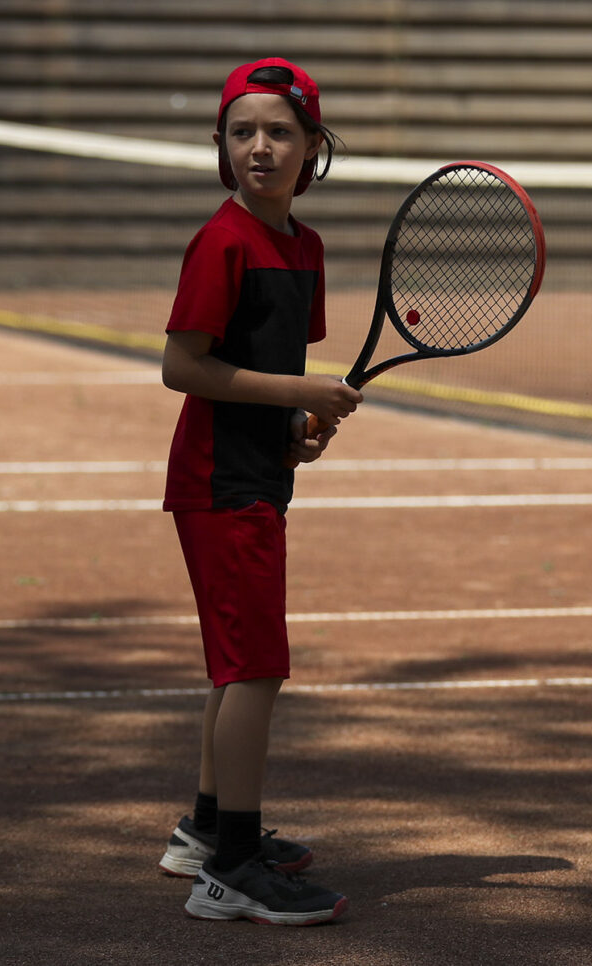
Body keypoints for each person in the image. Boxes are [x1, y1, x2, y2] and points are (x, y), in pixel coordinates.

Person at [159, 57, 362, 925]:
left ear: (313, 146)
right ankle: (232, 869)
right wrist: (297, 398)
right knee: (256, 670)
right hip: (217, 486)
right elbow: (183, 366)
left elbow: (271, 368)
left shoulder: (302, 248)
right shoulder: (222, 241)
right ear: (221, 146)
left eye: (279, 131)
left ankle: (205, 829)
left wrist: (294, 430)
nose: (259, 147)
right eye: (241, 132)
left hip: (254, 475)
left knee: (234, 667)